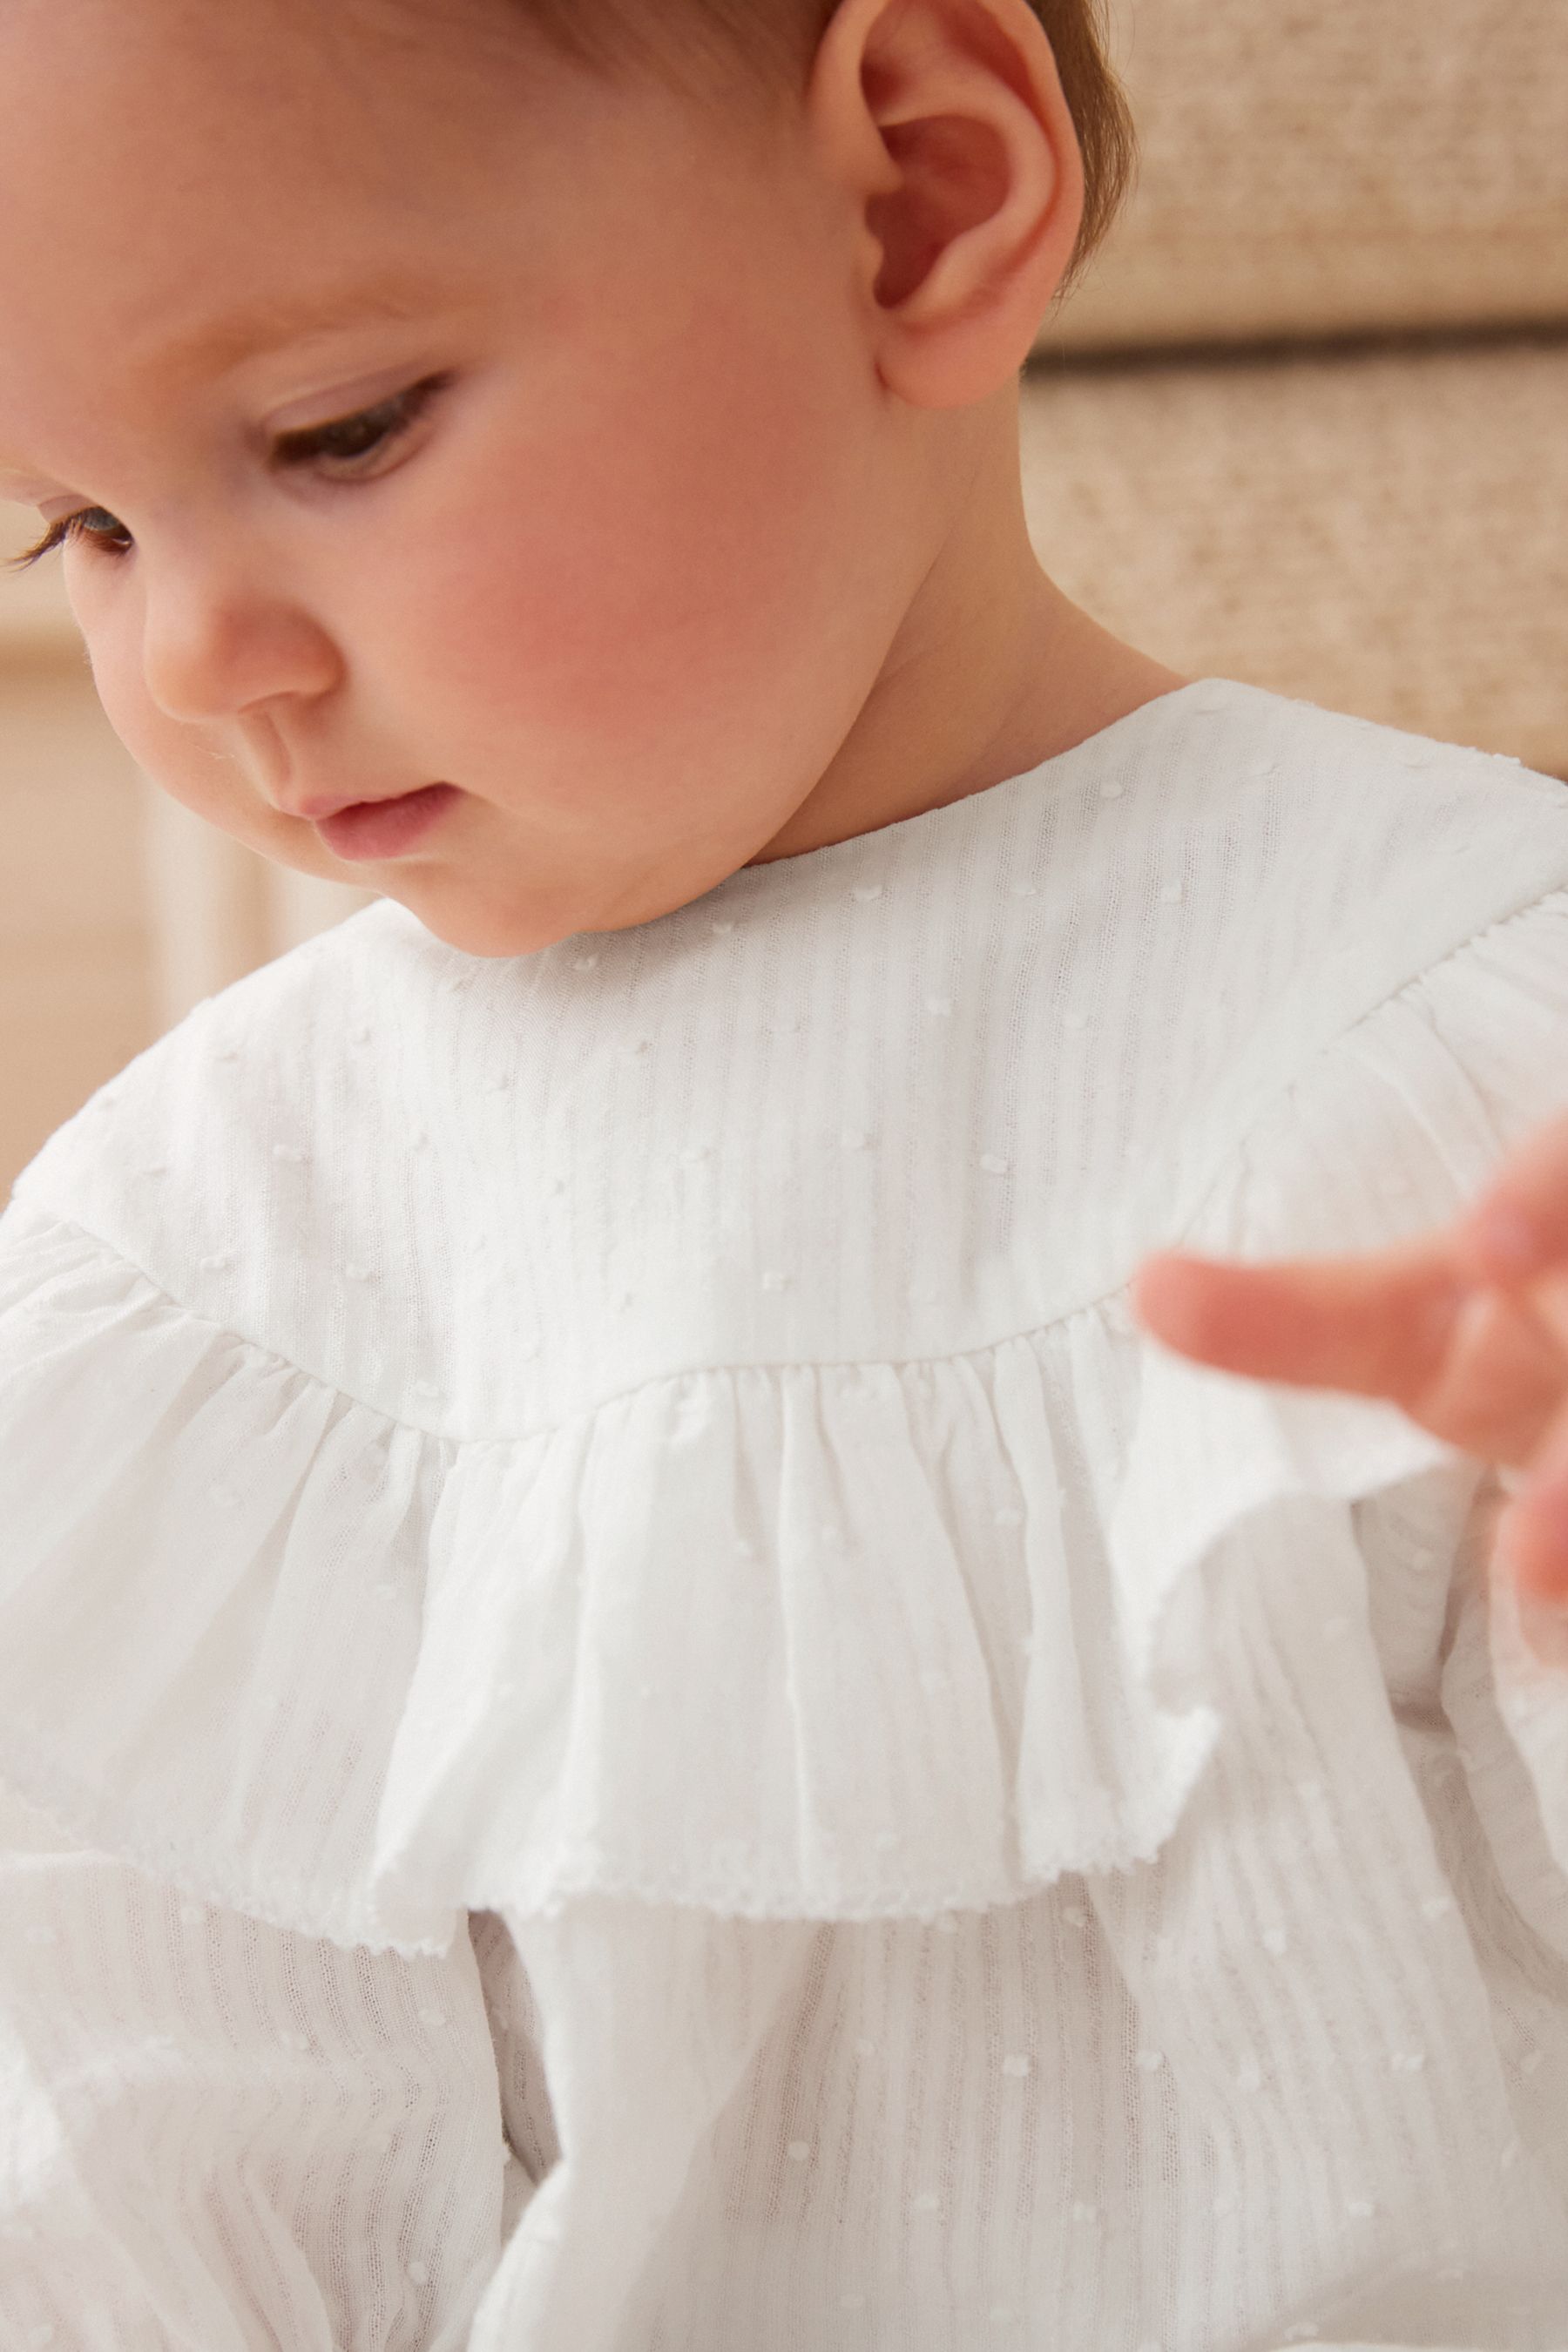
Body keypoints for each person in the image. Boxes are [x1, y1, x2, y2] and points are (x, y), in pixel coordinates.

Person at [0, 0, 1565, 2344]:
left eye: (339, 431)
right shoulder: (199, 1285)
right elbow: (152, 2195)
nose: (196, 652)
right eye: (82, 522)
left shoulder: (1479, 1049)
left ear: (919, 205)